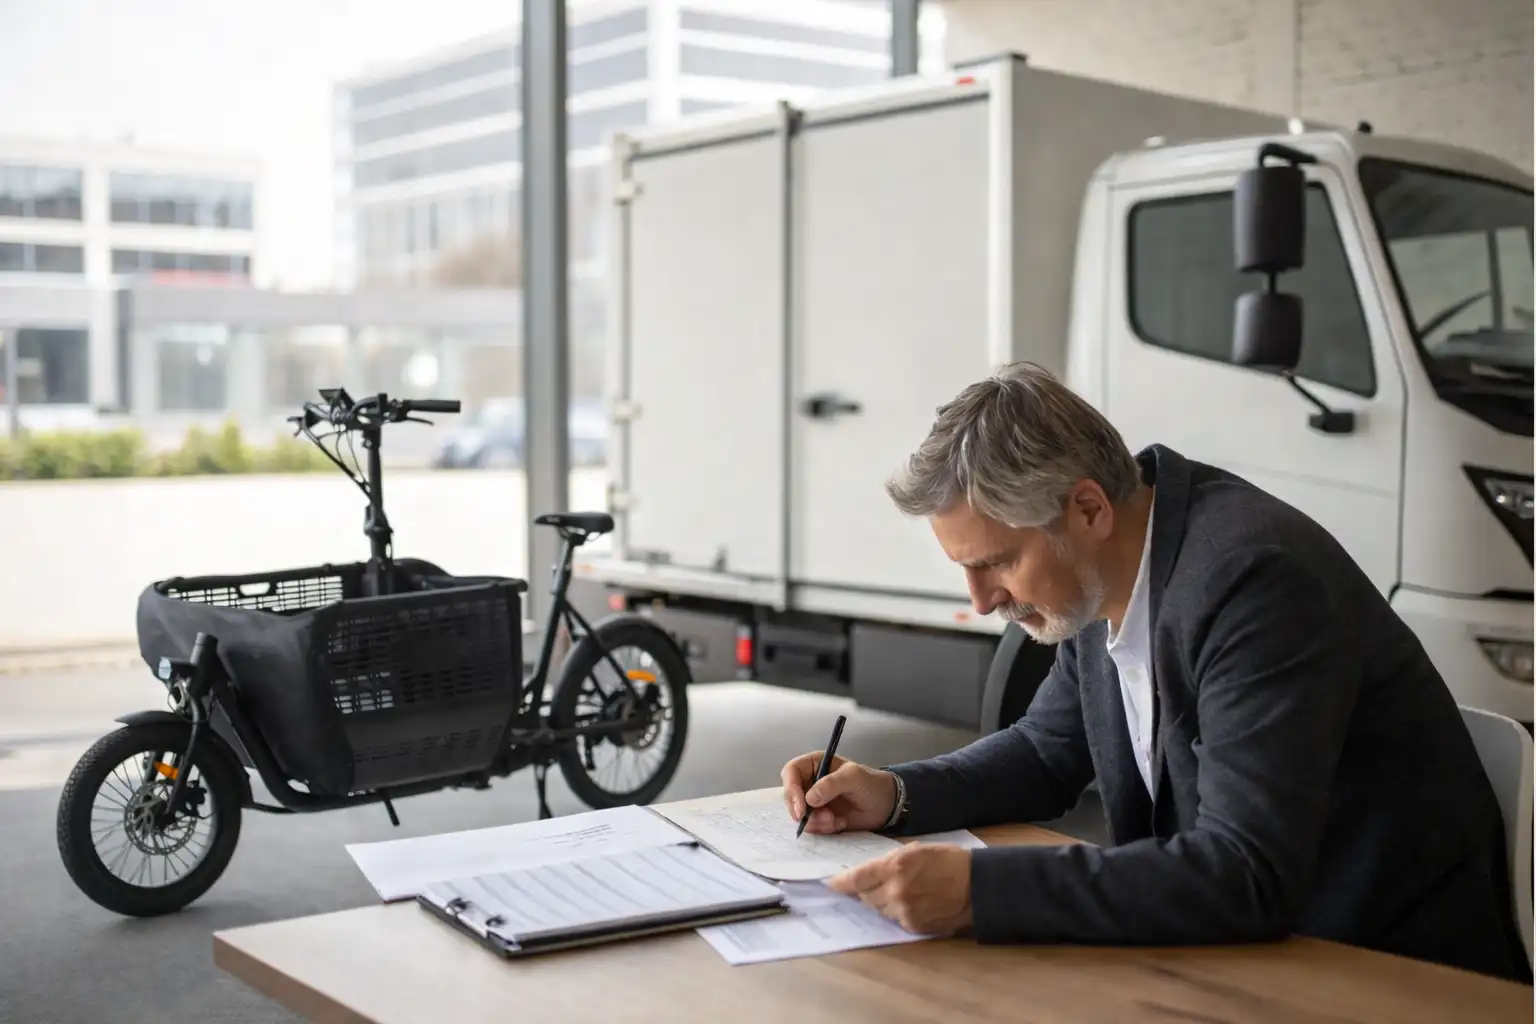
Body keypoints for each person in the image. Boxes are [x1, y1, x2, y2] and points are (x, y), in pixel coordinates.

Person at [779, 361, 1530, 981]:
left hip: (1388, 973)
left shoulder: (1251, 583)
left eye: (998, 562)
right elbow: (1047, 751)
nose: (980, 602)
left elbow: (1246, 872)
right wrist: (897, 793)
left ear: (1087, 508)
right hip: (1257, 956)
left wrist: (979, 889)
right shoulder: (1104, 572)